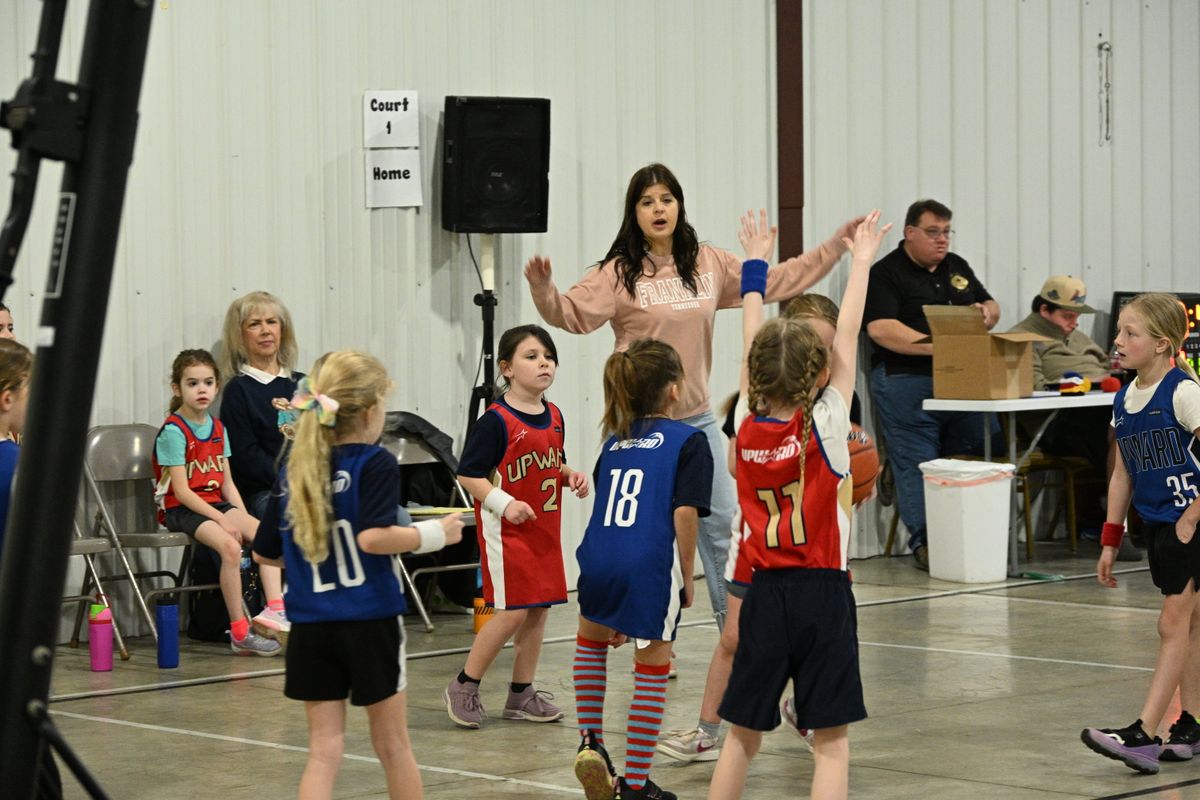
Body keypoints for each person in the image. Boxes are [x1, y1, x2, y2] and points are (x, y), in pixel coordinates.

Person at [525, 162, 864, 627]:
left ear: (679, 206)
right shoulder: (617, 274)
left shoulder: (708, 263)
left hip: (697, 422)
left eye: (666, 199)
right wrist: (543, 290)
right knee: (642, 540)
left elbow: (777, 280)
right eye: (647, 202)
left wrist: (836, 247)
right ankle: (640, 638)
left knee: (725, 532)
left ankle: (735, 634)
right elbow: (568, 315)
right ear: (634, 212)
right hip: (640, 426)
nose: (658, 209)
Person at [707, 210, 889, 800]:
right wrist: (861, 260)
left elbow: (749, 341)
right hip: (822, 593)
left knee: (742, 736)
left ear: (756, 376)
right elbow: (849, 330)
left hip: (763, 593)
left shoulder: (744, 422)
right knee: (831, 743)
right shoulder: (828, 424)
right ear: (819, 376)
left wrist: (755, 267)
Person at [252, 350, 465, 799]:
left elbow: (266, 553)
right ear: (369, 412)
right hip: (369, 621)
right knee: (393, 746)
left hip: (311, 627)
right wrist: (434, 534)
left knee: (322, 751)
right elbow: (373, 538)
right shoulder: (374, 462)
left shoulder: (296, 470)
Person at [658, 290, 857, 764]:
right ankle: (708, 731)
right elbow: (734, 465)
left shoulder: (826, 415)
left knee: (806, 642)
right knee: (733, 639)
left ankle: (803, 711)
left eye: (826, 348)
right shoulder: (754, 411)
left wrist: (753, 275)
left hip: (810, 552)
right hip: (756, 548)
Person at [572, 338, 713, 800]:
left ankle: (590, 742)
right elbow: (684, 513)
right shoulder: (689, 441)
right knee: (652, 666)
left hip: (598, 557)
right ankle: (634, 784)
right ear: (674, 389)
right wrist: (687, 575)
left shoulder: (615, 441)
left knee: (591, 644)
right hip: (649, 563)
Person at [445, 324, 589, 729]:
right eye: (532, 356)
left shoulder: (555, 415)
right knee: (510, 614)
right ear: (507, 368)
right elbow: (468, 475)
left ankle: (521, 693)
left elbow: (551, 462)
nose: (544, 363)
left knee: (538, 612)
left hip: (544, 532)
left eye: (549, 356)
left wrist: (570, 475)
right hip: (506, 535)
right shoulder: (496, 421)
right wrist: (504, 504)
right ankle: (464, 684)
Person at [1081, 293, 1200, 775]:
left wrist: (1192, 515)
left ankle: (1144, 733)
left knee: (1171, 624)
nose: (1118, 340)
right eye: (1119, 331)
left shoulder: (1184, 392)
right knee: (1191, 625)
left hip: (1191, 522)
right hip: (1159, 525)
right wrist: (1111, 538)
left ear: (1162, 344)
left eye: (1131, 333)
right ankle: (1192, 724)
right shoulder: (1125, 398)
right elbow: (1122, 474)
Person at [863, 198, 1001, 569]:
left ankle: (979, 532)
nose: (942, 240)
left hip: (960, 376)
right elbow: (881, 329)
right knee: (919, 460)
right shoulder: (886, 273)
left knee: (987, 440)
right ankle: (928, 543)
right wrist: (938, 347)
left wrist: (986, 313)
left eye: (946, 232)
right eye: (932, 232)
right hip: (906, 376)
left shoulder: (956, 266)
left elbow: (991, 305)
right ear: (909, 233)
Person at [153, 349, 286, 654]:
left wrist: (240, 514)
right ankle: (239, 631)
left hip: (214, 504)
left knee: (267, 537)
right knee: (229, 547)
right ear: (177, 388)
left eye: (208, 382)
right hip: (181, 509)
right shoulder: (174, 431)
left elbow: (227, 483)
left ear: (217, 386)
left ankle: (275, 610)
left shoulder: (217, 427)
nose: (201, 390)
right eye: (192, 383)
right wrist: (224, 521)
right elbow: (182, 492)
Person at [219, 291, 304, 520]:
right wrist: (293, 479)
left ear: (282, 330)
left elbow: (325, 438)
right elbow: (247, 458)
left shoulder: (303, 383)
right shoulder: (238, 390)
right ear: (239, 335)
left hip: (311, 485)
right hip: (266, 492)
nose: (265, 330)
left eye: (271, 322)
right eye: (255, 324)